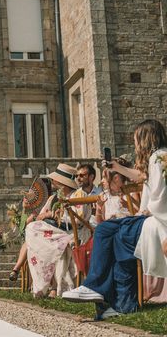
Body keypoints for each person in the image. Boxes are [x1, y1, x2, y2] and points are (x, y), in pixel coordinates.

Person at [63, 119, 167, 318]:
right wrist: (115, 167)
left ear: (146, 138)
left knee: (104, 229)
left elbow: (160, 194)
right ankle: (123, 304)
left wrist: (147, 212)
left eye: (137, 139)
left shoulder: (157, 158)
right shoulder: (160, 157)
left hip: (157, 219)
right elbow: (141, 176)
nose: (135, 144)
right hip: (153, 218)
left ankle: (93, 285)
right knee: (120, 244)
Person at [23, 163, 84, 297]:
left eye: (55, 179)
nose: (52, 181)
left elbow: (79, 220)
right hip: (54, 232)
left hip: (71, 231)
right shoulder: (53, 198)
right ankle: (46, 285)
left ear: (62, 181)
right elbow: (41, 216)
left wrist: (54, 215)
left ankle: (53, 287)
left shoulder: (78, 194)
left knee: (40, 236)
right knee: (32, 230)